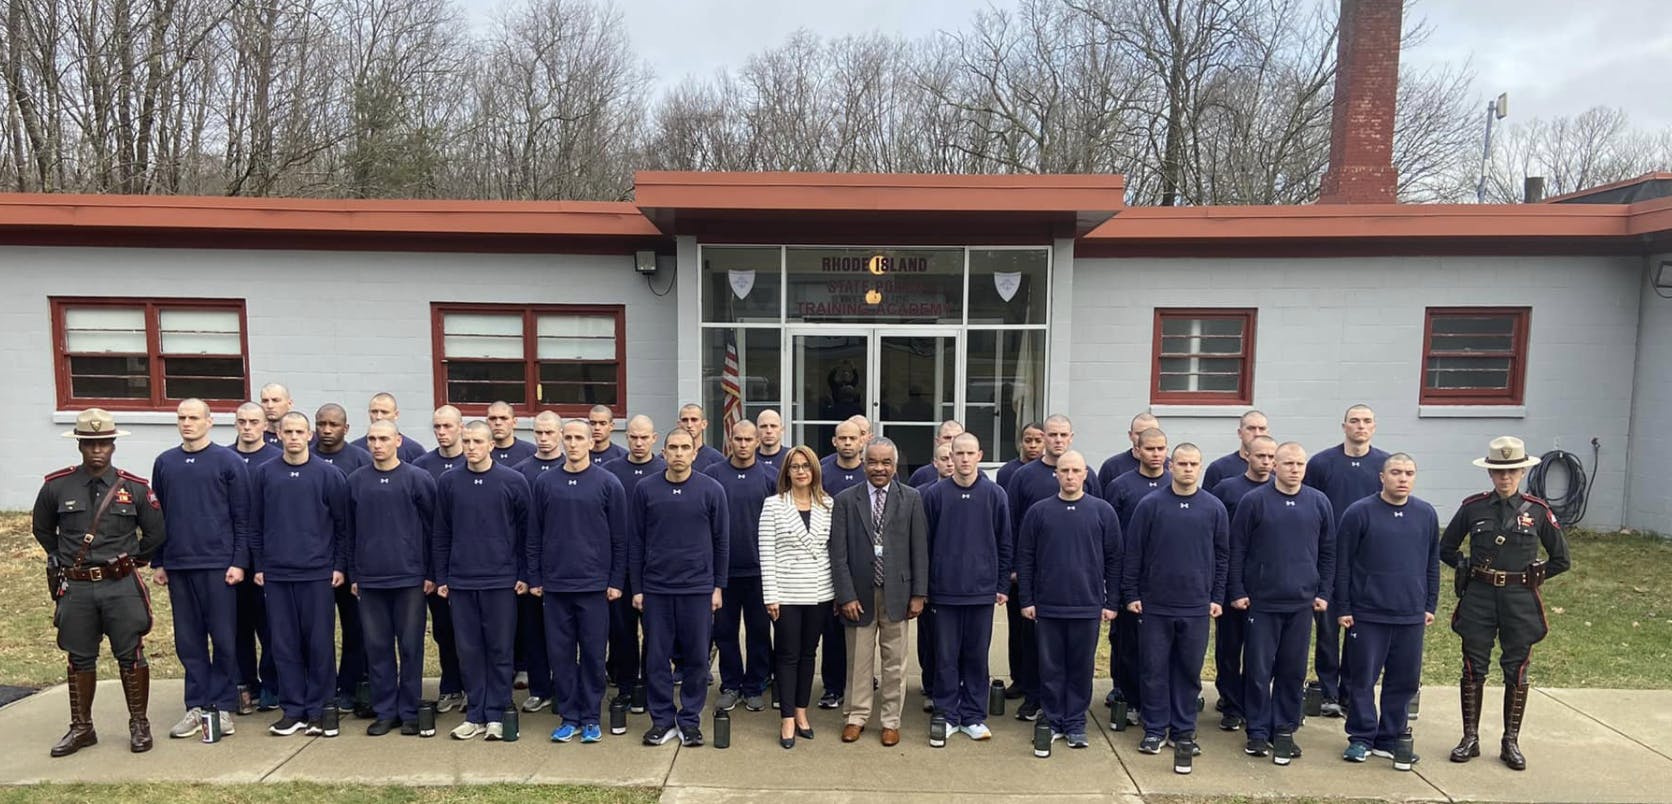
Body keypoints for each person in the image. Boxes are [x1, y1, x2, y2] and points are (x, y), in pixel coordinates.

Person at [35, 409, 167, 756]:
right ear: (79, 445)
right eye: (90, 443)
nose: (97, 450)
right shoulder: (57, 486)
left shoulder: (134, 488)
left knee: (130, 653)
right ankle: (82, 727)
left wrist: (131, 562)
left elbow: (156, 534)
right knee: (79, 656)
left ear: (113, 445)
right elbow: (42, 528)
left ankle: (139, 723)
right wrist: (62, 557)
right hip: (77, 586)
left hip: (120, 584)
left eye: (104, 443)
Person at [1440, 436, 1570, 771]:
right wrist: (1466, 568)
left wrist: (1534, 577)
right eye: (1499, 471)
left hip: (1519, 599)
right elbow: (1446, 548)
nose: (1506, 477)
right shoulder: (1473, 508)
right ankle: (1470, 738)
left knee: (1517, 668)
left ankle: (1510, 741)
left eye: (1512, 471)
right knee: (1473, 666)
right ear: (1490, 474)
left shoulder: (1537, 511)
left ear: (1523, 472)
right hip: (1480, 596)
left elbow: (1561, 559)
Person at [1227, 442, 1335, 765]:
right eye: (1288, 463)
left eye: (1300, 464)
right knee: (1258, 670)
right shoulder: (1254, 501)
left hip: (1301, 604)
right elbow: (1237, 548)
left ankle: (1284, 729)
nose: (1295, 469)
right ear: (1275, 465)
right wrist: (1238, 590)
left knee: (1292, 669)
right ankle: (1258, 731)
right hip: (1261, 603)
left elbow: (1328, 551)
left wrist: (1323, 592)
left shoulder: (1319, 502)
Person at [1123, 443, 1227, 771]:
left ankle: (1183, 730)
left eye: (1193, 464)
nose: (1188, 469)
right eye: (1182, 463)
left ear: (1200, 467)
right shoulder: (1150, 505)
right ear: (1171, 467)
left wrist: (1217, 597)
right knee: (1153, 670)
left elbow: (1222, 555)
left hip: (1196, 605)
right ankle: (1154, 729)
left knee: (1188, 671)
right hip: (1156, 604)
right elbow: (1134, 552)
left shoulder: (1214, 507)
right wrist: (1131, 593)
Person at [151, 399, 250, 741]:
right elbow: (158, 516)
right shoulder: (165, 462)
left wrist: (239, 561)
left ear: (209, 421)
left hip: (218, 565)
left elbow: (242, 516)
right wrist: (159, 561)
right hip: (179, 565)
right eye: (182, 417)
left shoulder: (228, 461)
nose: (187, 423)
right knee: (188, 640)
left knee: (223, 638)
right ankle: (196, 704)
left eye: (194, 417)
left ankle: (221, 706)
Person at [1336, 453, 1439, 765]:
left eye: (1409, 473)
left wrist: (1429, 604)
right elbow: (1343, 564)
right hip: (1368, 613)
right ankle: (1361, 737)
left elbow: (1431, 563)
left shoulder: (1425, 514)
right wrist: (1344, 606)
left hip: (1410, 614)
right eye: (1396, 472)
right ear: (1382, 477)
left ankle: (1389, 737)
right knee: (1362, 679)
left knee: (1404, 680)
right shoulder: (1359, 512)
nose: (1402, 478)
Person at [250, 411, 349, 738]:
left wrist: (338, 566)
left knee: (319, 644)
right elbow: (255, 524)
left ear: (310, 436)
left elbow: (342, 526)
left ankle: (321, 709)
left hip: (318, 574)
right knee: (284, 644)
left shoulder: (329, 475)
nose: (293, 437)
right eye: (288, 431)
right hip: (277, 574)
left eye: (299, 432)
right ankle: (293, 710)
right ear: (278, 435)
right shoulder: (265, 474)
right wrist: (260, 566)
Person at [529, 419, 628, 744]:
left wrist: (615, 580)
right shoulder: (545, 483)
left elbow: (620, 538)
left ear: (591, 442)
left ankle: (590, 718)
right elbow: (534, 535)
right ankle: (568, 716)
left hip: (594, 587)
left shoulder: (608, 483)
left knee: (593, 654)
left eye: (578, 438)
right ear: (561, 439)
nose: (573, 444)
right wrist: (536, 577)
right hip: (556, 586)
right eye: (568, 438)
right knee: (560, 655)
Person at [629, 428, 729, 747]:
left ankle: (689, 720)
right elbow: (636, 541)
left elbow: (721, 542)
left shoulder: (711, 489)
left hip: (697, 588)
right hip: (656, 588)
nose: (679, 453)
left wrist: (718, 586)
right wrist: (637, 588)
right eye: (673, 447)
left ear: (694, 453)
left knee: (697, 658)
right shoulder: (645, 489)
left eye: (685, 447)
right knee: (656, 658)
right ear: (664, 452)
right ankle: (661, 720)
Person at [433, 420, 531, 741]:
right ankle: (475, 713)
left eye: (478, 441)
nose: (471, 447)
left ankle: (497, 713)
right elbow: (441, 532)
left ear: (491, 445)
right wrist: (443, 576)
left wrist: (523, 574)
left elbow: (526, 533)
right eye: (467, 441)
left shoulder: (513, 481)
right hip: (461, 581)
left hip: (501, 580)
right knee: (469, 650)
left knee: (499, 649)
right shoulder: (449, 482)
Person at [1016, 451, 1119, 751]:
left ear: (1085, 474)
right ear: (1056, 474)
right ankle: (1052, 718)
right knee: (1050, 667)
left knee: (1080, 667)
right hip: (1048, 606)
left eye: (1076, 470)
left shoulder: (1102, 512)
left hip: (1087, 605)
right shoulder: (1039, 512)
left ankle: (1075, 722)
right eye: (1064, 470)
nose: (1070, 476)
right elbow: (1026, 559)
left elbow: (1115, 559)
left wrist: (1111, 601)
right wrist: (1026, 599)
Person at [830, 437, 928, 747]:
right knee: (858, 660)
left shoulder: (911, 498)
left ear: (895, 466)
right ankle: (856, 717)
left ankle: (890, 721)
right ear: (863, 464)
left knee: (894, 662)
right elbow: (838, 553)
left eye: (886, 462)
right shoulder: (846, 500)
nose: (879, 468)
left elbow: (919, 549)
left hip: (898, 592)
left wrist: (919, 594)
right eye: (872, 462)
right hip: (858, 594)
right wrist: (845, 595)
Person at [1004, 414, 1100, 722]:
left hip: (1075, 579)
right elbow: (1012, 523)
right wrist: (1015, 567)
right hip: (1033, 574)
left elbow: (1097, 525)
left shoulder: (1088, 475)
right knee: (1031, 641)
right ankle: (1033, 696)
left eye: (1063, 435)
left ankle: (1067, 707)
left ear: (1071, 437)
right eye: (1052, 434)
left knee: (1066, 650)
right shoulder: (1023, 476)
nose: (1058, 440)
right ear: (1043, 437)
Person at [345, 420, 437, 737]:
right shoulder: (356, 481)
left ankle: (410, 711)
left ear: (398, 440)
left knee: (410, 647)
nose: (377, 444)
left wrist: (430, 573)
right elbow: (349, 532)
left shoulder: (418, 479)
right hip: (370, 580)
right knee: (378, 647)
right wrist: (354, 574)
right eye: (372, 439)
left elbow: (433, 529)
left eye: (384, 438)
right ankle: (385, 711)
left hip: (410, 578)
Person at [921, 433, 1011, 741]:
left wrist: (1002, 585)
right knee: (945, 657)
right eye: (958, 453)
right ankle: (947, 714)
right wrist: (925, 587)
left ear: (979, 456)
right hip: (944, 592)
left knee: (975, 656)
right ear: (950, 457)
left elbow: (1004, 542)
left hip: (981, 592)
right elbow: (924, 545)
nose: (963, 459)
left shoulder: (995, 494)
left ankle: (973, 715)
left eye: (970, 453)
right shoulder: (934, 495)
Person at [1305, 404, 1389, 716]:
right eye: (1354, 421)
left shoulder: (1384, 465)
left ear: (1374, 426)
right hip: (1328, 558)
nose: (1360, 426)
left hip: (1366, 561)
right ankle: (1328, 691)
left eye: (1366, 421)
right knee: (1327, 628)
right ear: (1344, 426)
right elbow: (1308, 506)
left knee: (1358, 629)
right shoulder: (1321, 463)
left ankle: (1351, 691)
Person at [758, 445, 835, 749]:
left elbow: (833, 550)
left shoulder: (828, 504)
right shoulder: (774, 505)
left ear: (815, 470)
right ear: (787, 472)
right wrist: (770, 596)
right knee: (787, 654)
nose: (801, 471)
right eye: (795, 466)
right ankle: (787, 717)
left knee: (808, 653)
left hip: (820, 591)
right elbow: (766, 552)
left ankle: (802, 710)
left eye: (806, 466)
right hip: (787, 592)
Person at [704, 421, 778, 713]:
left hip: (759, 571)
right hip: (723, 572)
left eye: (749, 439)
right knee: (725, 632)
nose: (743, 444)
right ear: (730, 441)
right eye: (738, 439)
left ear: (758, 441)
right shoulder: (713, 476)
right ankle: (731, 684)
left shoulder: (770, 477)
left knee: (759, 631)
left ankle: (755, 685)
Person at [1208, 434, 1277, 731]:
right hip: (1231, 582)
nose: (1266, 462)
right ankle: (1231, 703)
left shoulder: (1280, 492)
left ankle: (1253, 702)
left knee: (1260, 652)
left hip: (1266, 587)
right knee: (1229, 647)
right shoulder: (1226, 489)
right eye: (1260, 455)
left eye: (1271, 457)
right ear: (1247, 455)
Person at [1102, 426, 1171, 717]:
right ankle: (1126, 696)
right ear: (1138, 450)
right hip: (1128, 578)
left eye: (1161, 449)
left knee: (1160, 646)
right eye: (1150, 449)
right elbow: (1110, 536)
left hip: (1164, 580)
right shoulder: (1120, 486)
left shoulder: (1175, 483)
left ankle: (1157, 701)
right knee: (1126, 642)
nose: (1156, 454)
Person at [313, 403, 373, 717]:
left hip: (351, 561)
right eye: (321, 423)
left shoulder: (360, 460)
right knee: (317, 631)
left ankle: (352, 687)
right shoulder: (304, 457)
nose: (326, 430)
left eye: (333, 424)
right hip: (315, 562)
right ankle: (321, 688)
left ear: (345, 428)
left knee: (356, 628)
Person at [603, 415, 664, 712]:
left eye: (644, 437)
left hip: (656, 569)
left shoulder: (665, 470)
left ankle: (650, 689)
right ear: (626, 437)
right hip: (621, 568)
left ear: (654, 438)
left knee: (656, 635)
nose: (639, 443)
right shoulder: (610, 472)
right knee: (622, 634)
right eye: (633, 437)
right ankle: (625, 687)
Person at [411, 406, 466, 714]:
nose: (442, 432)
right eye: (437, 426)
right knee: (444, 630)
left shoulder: (474, 462)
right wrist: (431, 571)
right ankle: (451, 686)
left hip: (471, 566)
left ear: (460, 427)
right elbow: (420, 524)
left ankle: (476, 688)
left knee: (472, 633)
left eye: (448, 426)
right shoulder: (422, 467)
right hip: (435, 566)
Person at [510, 412, 564, 714]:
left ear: (560, 434)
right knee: (534, 632)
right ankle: (540, 688)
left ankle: (565, 688)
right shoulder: (521, 472)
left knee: (566, 634)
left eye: (549, 432)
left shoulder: (570, 467)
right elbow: (518, 527)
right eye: (539, 433)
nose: (544, 438)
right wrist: (526, 572)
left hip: (565, 568)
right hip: (530, 567)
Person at [230, 401, 280, 714]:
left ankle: (273, 685)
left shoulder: (277, 459)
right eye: (242, 421)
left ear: (265, 425)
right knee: (238, 627)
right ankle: (246, 684)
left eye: (253, 422)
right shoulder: (224, 458)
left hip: (268, 559)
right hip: (233, 559)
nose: (247, 427)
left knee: (272, 626)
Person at [817, 418, 868, 710]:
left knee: (862, 629)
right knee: (833, 631)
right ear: (834, 441)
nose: (848, 443)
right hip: (828, 563)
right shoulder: (822, 474)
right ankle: (833, 687)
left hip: (863, 563)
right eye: (842, 438)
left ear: (862, 440)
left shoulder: (871, 472)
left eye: (853, 438)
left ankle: (859, 684)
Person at [1202, 410, 1269, 491]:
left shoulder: (1276, 469)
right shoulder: (1219, 468)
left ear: (1267, 433)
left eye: (1262, 429)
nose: (1257, 434)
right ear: (1240, 433)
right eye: (1251, 428)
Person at [350, 393, 426, 462]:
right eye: (374, 412)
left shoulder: (414, 450)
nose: (379, 417)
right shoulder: (354, 450)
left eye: (384, 412)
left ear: (396, 414)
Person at [1099, 413, 1162, 483]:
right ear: (1130, 435)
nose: (1145, 438)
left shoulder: (1169, 467)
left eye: (1151, 433)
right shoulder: (1112, 467)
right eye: (1139, 434)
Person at [907, 420, 964, 488]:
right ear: (937, 441)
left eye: (957, 438)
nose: (952, 441)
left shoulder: (972, 474)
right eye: (947, 438)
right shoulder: (921, 475)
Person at [995, 421, 1046, 489]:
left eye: (1038, 441)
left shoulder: (1052, 471)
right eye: (1028, 441)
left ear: (1045, 443)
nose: (1033, 445)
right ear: (1021, 443)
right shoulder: (1006, 471)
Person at [676, 403, 727, 471]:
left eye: (694, 420)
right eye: (685, 420)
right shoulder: (668, 458)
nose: (689, 425)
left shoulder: (717, 459)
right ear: (679, 425)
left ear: (704, 424)